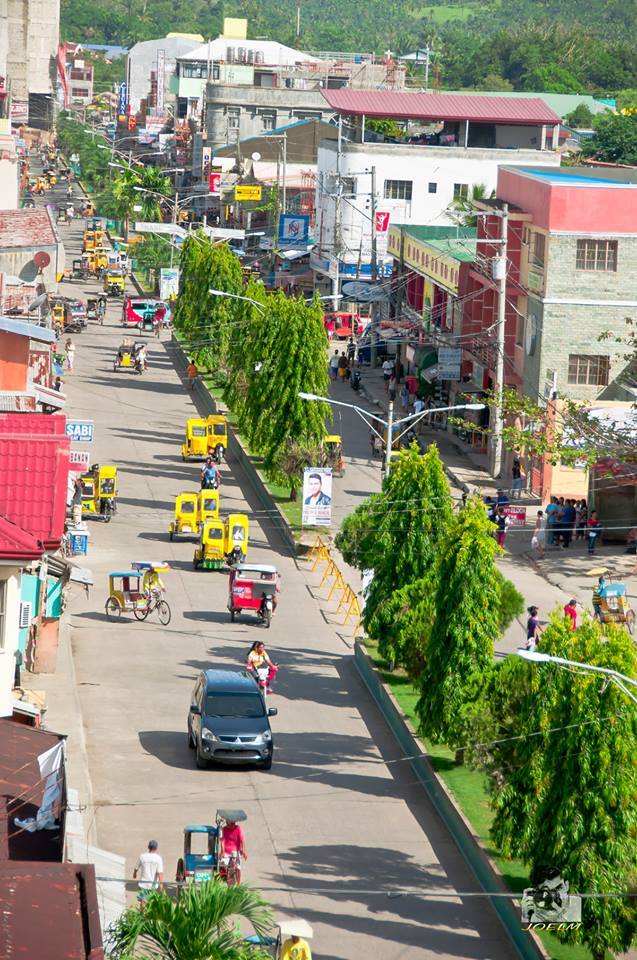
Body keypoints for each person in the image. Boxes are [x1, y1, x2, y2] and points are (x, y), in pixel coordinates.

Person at [219, 817, 247, 884]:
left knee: (238, 867)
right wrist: (222, 851)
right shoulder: (224, 829)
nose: (230, 825)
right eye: (228, 823)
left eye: (231, 824)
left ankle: (238, 884)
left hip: (236, 851)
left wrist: (243, 851)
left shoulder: (238, 828)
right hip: (226, 851)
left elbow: (242, 840)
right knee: (222, 865)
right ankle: (227, 879)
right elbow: (222, 840)